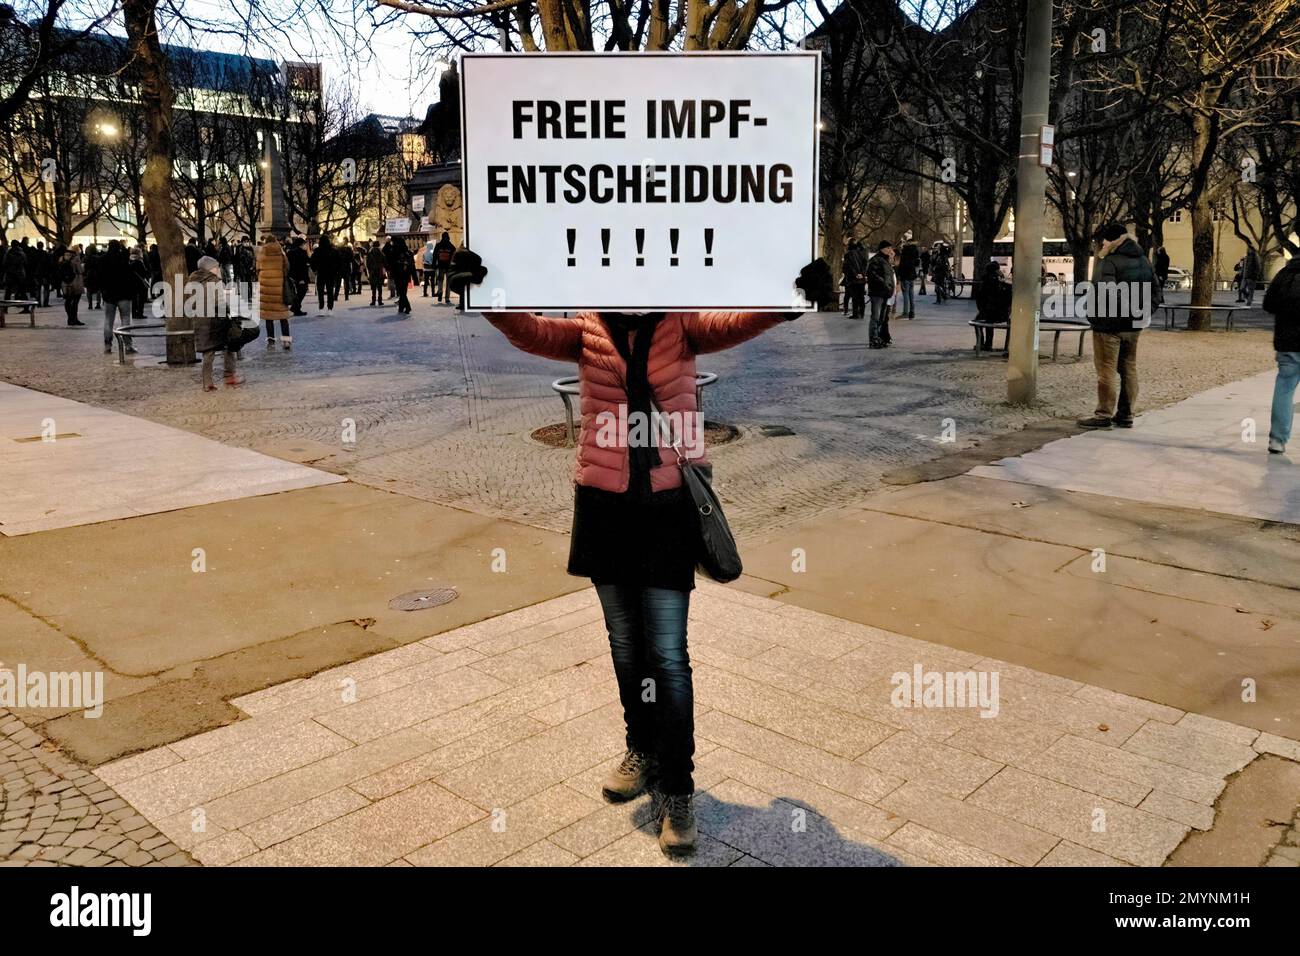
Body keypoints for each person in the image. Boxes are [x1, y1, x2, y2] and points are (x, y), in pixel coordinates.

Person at [472, 252, 822, 857]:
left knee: (667, 652)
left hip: (666, 509)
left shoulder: (680, 323)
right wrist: (488, 297)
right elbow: (530, 332)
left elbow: (736, 323)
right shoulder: (586, 326)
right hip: (604, 506)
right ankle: (641, 749)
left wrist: (789, 302)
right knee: (625, 643)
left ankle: (679, 787)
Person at [1078, 222, 1154, 429]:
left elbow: (1103, 292)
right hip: (1133, 326)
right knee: (1129, 368)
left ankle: (1103, 415)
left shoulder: (1109, 261)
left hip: (1109, 326)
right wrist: (1143, 313)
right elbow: (1156, 291)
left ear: (1111, 241)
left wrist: (1095, 316)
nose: (1101, 243)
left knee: (1107, 371)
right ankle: (1126, 414)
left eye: (1104, 240)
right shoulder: (1144, 260)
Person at [1263, 253, 1300, 454]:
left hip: (1288, 341)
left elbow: (1268, 304)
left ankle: (1277, 440)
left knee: (1284, 389)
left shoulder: (1284, 274)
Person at [191, 255, 242, 390]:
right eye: (216, 267)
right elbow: (220, 303)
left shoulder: (192, 281)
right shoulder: (215, 281)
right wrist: (228, 313)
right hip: (216, 320)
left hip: (200, 320)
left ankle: (207, 383)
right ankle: (229, 375)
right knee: (229, 346)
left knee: (208, 351)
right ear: (210, 268)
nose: (218, 269)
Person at [99, 240, 137, 355]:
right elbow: (129, 275)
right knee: (125, 319)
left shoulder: (103, 259)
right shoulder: (123, 258)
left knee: (108, 320)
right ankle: (128, 345)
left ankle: (107, 345)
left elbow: (101, 277)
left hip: (109, 294)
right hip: (123, 293)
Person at [258, 234, 292, 350]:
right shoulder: (281, 253)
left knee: (269, 316)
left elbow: (257, 268)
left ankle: (271, 340)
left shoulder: (262, 253)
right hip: (279, 287)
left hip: (266, 288)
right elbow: (287, 267)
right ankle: (286, 340)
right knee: (283, 316)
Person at [973, 260, 1012, 350]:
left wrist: (983, 309)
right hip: (1004, 313)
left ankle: (982, 343)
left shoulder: (987, 280)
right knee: (988, 321)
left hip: (990, 311)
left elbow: (981, 298)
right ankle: (988, 344)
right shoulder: (1003, 280)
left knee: (977, 321)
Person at [866, 240, 896, 349]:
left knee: (881, 318)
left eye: (890, 248)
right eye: (888, 248)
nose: (890, 250)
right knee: (876, 316)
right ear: (882, 249)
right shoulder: (876, 260)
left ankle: (878, 337)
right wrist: (883, 283)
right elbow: (872, 274)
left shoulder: (886, 260)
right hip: (877, 292)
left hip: (885, 292)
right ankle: (873, 339)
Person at [58, 246, 85, 326]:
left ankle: (70, 318)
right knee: (75, 301)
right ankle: (74, 319)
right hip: (76, 281)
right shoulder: (76, 258)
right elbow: (80, 270)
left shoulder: (62, 258)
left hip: (65, 282)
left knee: (68, 300)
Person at [841, 237, 867, 320]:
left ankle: (855, 314)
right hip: (861, 279)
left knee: (855, 297)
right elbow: (865, 264)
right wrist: (862, 274)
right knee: (861, 297)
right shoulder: (862, 253)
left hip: (853, 279)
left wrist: (855, 274)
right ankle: (861, 313)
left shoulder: (848, 254)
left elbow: (848, 267)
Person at [310, 235, 337, 312]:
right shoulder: (333, 250)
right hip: (330, 274)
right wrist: (335, 271)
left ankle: (321, 308)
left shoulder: (317, 251)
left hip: (321, 273)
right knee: (330, 291)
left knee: (320, 291)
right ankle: (330, 308)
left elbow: (312, 261)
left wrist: (315, 270)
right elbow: (338, 262)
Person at [390, 238, 417, 315]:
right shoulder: (408, 252)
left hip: (398, 274)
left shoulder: (395, 251)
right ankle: (401, 307)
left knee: (401, 291)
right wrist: (414, 277)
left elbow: (391, 262)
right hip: (406, 274)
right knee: (403, 291)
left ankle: (407, 306)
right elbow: (412, 265)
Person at [897, 231, 920, 319]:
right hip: (912, 274)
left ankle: (905, 312)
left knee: (905, 294)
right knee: (911, 294)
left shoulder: (905, 250)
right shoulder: (916, 250)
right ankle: (912, 312)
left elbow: (902, 263)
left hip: (905, 274)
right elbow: (917, 263)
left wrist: (899, 274)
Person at [286, 237, 310, 316]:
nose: (305, 246)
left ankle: (295, 307)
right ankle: (296, 307)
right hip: (301, 276)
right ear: (301, 245)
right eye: (304, 244)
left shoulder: (290, 252)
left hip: (292, 275)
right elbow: (303, 265)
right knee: (301, 292)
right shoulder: (302, 253)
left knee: (297, 292)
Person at [432, 231, 456, 303]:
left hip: (441, 266)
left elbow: (434, 256)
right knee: (448, 282)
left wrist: (434, 265)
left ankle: (440, 292)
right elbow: (454, 256)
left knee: (440, 281)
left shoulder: (438, 245)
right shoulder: (451, 246)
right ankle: (447, 298)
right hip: (449, 267)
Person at [128, 246, 150, 320]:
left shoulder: (130, 260)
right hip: (140, 283)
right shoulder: (139, 261)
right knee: (141, 299)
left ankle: (134, 313)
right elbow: (143, 273)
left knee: (134, 299)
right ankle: (140, 313)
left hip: (132, 282)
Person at [366, 240, 386, 306]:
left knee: (373, 287)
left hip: (372, 271)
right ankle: (380, 300)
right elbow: (384, 261)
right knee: (379, 287)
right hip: (379, 270)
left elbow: (367, 262)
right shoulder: (381, 252)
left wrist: (369, 269)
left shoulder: (370, 252)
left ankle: (373, 301)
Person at [83, 244, 103, 309]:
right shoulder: (98, 258)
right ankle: (98, 304)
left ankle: (90, 304)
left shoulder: (87, 259)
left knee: (89, 290)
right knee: (98, 290)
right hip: (97, 275)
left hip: (89, 275)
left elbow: (85, 268)